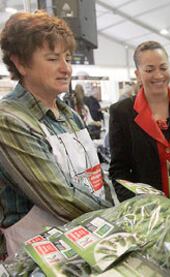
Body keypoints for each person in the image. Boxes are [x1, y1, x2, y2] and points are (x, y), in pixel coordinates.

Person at [0, 11, 112, 259]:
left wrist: (115, 205)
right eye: (52, 59)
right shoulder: (10, 120)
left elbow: (96, 176)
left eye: (68, 58)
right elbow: (60, 198)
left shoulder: (68, 115)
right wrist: (116, 216)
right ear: (20, 63)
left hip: (83, 241)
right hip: (36, 254)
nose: (66, 68)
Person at [109, 41, 170, 201]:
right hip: (151, 212)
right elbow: (118, 171)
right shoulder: (122, 113)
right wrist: (137, 207)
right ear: (138, 74)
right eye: (149, 70)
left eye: (163, 68)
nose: (158, 75)